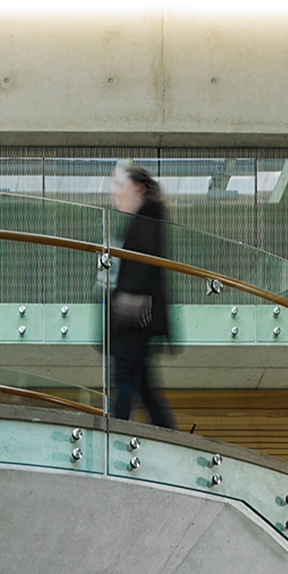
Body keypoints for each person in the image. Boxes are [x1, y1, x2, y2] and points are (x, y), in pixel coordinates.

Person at [106, 163, 176, 430]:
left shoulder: (147, 220)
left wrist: (120, 309)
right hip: (137, 318)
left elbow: (141, 273)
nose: (116, 192)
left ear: (139, 188)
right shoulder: (145, 219)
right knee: (143, 387)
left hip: (134, 318)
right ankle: (170, 437)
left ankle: (116, 436)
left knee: (124, 378)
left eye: (121, 186)